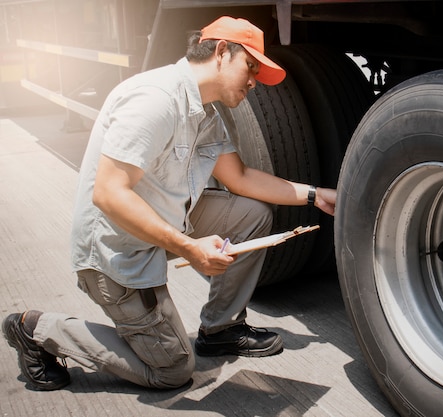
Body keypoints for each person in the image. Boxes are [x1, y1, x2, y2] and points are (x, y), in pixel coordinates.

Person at [2, 16, 336, 391]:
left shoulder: (207, 112)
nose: (254, 82)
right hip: (117, 254)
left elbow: (239, 178)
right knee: (172, 371)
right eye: (251, 67)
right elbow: (109, 194)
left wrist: (314, 194)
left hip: (165, 221)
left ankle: (221, 329)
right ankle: (36, 329)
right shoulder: (156, 100)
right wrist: (189, 248)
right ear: (223, 52)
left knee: (252, 215)